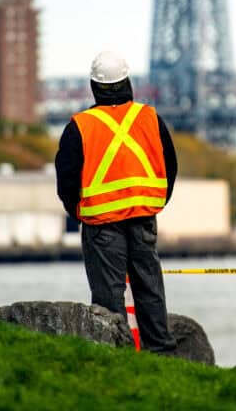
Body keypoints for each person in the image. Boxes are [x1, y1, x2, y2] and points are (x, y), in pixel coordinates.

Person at [55, 50, 178, 354]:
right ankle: (161, 351)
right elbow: (170, 166)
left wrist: (81, 212)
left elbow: (66, 180)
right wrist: (154, 202)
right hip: (143, 217)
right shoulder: (149, 117)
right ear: (128, 82)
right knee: (149, 286)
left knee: (109, 295)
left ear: (94, 86)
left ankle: (116, 354)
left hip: (101, 225)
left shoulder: (80, 126)